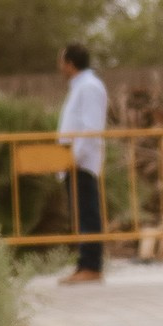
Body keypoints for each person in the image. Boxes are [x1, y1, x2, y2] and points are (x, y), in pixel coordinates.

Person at [56, 43, 108, 284]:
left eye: (61, 60)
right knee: (82, 213)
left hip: (81, 162)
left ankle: (91, 266)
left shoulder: (89, 87)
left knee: (88, 212)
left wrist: (74, 158)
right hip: (74, 162)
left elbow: (90, 127)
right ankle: (84, 264)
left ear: (69, 63)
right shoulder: (81, 87)